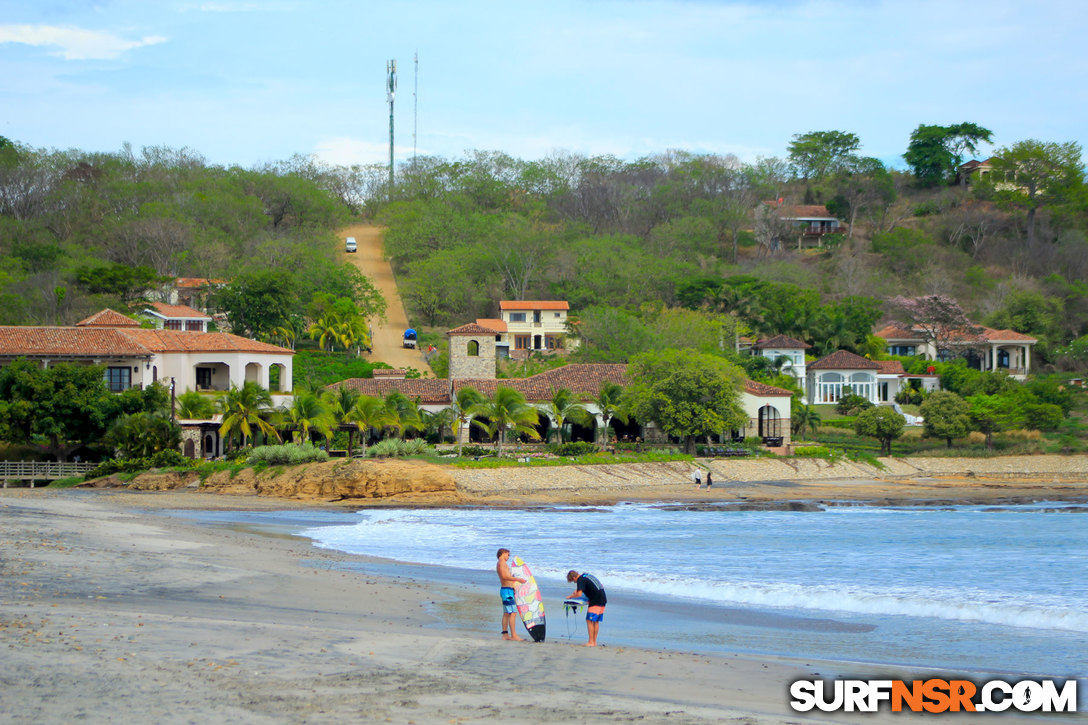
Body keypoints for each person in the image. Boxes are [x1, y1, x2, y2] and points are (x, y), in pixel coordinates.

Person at [566, 570, 607, 646]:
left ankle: (591, 642)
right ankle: (594, 642)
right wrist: (577, 591)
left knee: (589, 620)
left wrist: (571, 596)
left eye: (573, 581)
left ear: (574, 578)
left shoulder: (580, 580)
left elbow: (579, 594)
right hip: (603, 598)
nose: (574, 582)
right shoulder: (586, 576)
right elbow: (590, 587)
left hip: (596, 600)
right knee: (596, 621)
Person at [496, 548, 525, 641]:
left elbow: (506, 577)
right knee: (513, 613)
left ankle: (505, 635)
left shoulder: (501, 563)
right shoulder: (501, 563)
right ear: (503, 553)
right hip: (507, 591)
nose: (508, 557)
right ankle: (514, 635)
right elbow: (504, 576)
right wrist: (518, 579)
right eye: (508, 555)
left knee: (507, 613)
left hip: (506, 590)